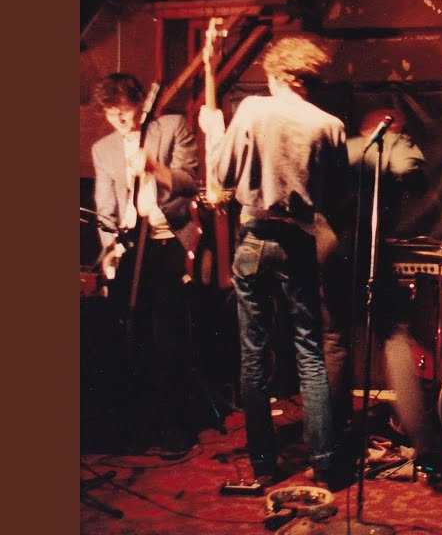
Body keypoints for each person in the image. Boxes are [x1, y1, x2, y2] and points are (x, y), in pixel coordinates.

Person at [200, 37, 347, 486]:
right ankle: (325, 462)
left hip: (254, 235)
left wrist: (214, 135)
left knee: (254, 355)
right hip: (298, 239)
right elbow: (335, 196)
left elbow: (222, 175)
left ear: (276, 72)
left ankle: (264, 465)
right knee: (309, 351)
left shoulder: (251, 110)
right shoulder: (330, 125)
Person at [323, 108, 442, 487]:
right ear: (388, 128)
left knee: (334, 343)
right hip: (368, 251)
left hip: (332, 251)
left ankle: (331, 448)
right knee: (394, 337)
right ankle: (428, 448)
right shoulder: (392, 143)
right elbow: (410, 171)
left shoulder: (339, 148)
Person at [90, 72, 207, 452]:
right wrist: (109, 251)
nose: (123, 121)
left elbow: (189, 182)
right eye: (114, 114)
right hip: (129, 247)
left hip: (168, 240)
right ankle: (137, 424)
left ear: (140, 103)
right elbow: (105, 209)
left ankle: (176, 426)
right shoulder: (103, 149)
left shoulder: (170, 127)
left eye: (127, 111)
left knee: (168, 335)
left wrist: (154, 166)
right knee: (127, 334)